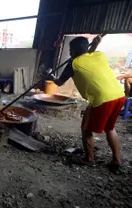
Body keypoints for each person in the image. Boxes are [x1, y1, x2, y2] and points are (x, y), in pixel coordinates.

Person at [51, 36, 125, 170]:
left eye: (70, 49)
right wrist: (95, 45)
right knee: (110, 128)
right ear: (87, 48)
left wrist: (52, 77)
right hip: (119, 95)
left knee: (86, 129)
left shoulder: (72, 64)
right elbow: (87, 55)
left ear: (72, 50)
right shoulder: (99, 55)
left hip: (102, 99)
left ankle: (89, 159)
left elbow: (60, 82)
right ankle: (117, 160)